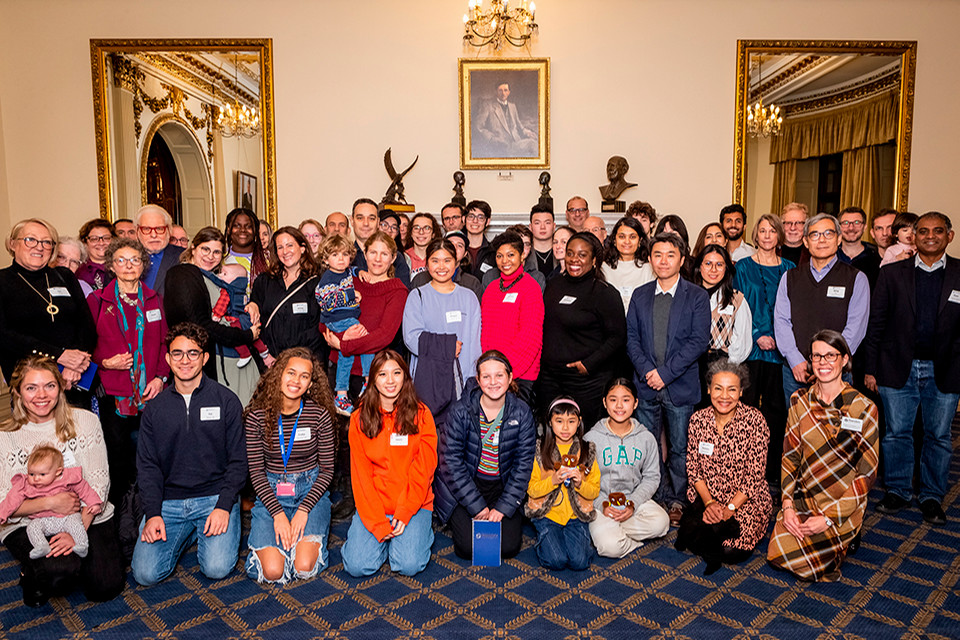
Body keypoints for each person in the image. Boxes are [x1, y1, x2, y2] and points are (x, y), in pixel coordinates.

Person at [0, 355, 123, 606]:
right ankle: (32, 574)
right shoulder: (6, 437)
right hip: (28, 522)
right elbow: (4, 501)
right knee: (59, 572)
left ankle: (76, 562)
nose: (41, 395)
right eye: (31, 387)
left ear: (61, 386)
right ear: (17, 392)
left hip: (89, 514)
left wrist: (76, 532)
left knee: (105, 587)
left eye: (50, 385)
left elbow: (99, 485)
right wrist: (51, 503)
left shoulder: (86, 422)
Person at [132, 322, 247, 586]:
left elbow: (239, 462)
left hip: (214, 497)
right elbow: (148, 467)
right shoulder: (154, 410)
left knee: (216, 569)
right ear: (167, 359)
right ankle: (190, 531)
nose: (185, 360)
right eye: (178, 353)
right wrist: (153, 514)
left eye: (193, 353)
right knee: (145, 574)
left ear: (205, 358)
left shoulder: (226, 401)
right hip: (168, 503)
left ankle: (201, 529)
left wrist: (223, 505)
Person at [864, 212, 959, 526]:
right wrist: (871, 369)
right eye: (922, 231)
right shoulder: (892, 273)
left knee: (939, 436)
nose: (929, 236)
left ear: (950, 235)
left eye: (937, 231)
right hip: (897, 367)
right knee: (897, 434)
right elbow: (875, 325)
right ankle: (899, 491)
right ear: (912, 237)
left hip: (946, 370)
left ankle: (932, 496)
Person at [767, 330, 879, 582]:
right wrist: (787, 507)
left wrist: (828, 519)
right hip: (806, 497)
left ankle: (845, 531)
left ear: (845, 360)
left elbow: (867, 474)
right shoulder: (800, 401)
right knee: (777, 554)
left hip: (842, 501)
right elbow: (790, 458)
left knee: (810, 568)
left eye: (830, 355)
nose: (823, 362)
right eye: (817, 356)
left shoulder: (864, 407)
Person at [626, 232, 711, 525]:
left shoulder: (697, 296)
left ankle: (677, 499)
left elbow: (699, 341)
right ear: (650, 259)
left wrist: (665, 373)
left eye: (670, 255)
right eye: (658, 255)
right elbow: (632, 339)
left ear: (682, 260)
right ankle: (654, 495)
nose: (663, 261)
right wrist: (648, 371)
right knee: (648, 447)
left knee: (679, 448)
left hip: (680, 386)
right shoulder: (640, 295)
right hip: (646, 385)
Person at [244, 347, 337, 583]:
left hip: (311, 491)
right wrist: (277, 514)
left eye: (304, 376)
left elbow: (326, 471)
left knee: (303, 567)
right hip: (270, 493)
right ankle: (279, 549)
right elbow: (256, 472)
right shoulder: (256, 418)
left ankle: (299, 546)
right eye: (291, 373)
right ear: (278, 374)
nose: (296, 381)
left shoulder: (319, 416)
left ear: (310, 384)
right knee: (273, 572)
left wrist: (304, 510)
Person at [341, 351, 438, 577]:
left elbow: (423, 471)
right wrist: (376, 522)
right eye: (383, 374)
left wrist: (404, 512)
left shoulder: (422, 415)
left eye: (396, 373)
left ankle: (416, 534)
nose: (391, 381)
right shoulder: (358, 419)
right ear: (373, 379)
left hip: (413, 503)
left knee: (408, 565)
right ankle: (385, 540)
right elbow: (361, 476)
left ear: (405, 376)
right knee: (357, 566)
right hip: (375, 504)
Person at [88, 237, 169, 503]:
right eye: (121, 260)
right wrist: (105, 362)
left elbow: (164, 342)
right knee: (119, 456)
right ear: (111, 265)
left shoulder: (154, 300)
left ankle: (153, 507)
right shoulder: (98, 301)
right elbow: (86, 345)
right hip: (114, 392)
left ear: (143, 265)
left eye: (135, 260)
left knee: (152, 454)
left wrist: (160, 377)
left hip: (151, 391)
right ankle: (123, 512)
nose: (128, 265)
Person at [435, 351, 536, 560]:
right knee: (467, 549)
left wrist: (503, 507)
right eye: (486, 377)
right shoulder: (460, 411)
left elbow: (523, 465)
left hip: (503, 486)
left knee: (508, 548)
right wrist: (477, 506)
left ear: (509, 378)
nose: (493, 382)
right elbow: (450, 463)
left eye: (499, 375)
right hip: (467, 484)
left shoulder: (522, 412)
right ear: (478, 381)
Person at [676, 360, 772, 574]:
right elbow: (693, 469)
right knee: (696, 534)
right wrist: (709, 503)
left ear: (741, 392)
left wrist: (729, 509)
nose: (724, 396)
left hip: (745, 499)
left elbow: (754, 477)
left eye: (732, 389)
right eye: (718, 388)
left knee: (730, 551)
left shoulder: (755, 422)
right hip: (708, 497)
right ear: (709, 389)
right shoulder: (698, 420)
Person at [774, 213, 870, 408]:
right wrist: (795, 360)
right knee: (797, 433)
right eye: (815, 235)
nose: (822, 239)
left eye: (828, 233)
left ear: (839, 239)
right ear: (806, 242)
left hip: (837, 372)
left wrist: (828, 362)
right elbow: (782, 321)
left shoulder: (856, 278)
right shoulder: (790, 277)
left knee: (838, 433)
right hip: (796, 371)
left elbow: (856, 327)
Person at [163, 227, 262, 405]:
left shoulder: (214, 277)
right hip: (211, 362)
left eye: (217, 252)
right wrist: (246, 336)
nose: (210, 256)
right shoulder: (183, 274)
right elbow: (199, 325)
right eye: (205, 249)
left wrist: (251, 304)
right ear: (193, 248)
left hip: (230, 360)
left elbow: (235, 302)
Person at [0, 219, 96, 399]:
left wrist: (74, 365)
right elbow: (4, 335)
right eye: (30, 240)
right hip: (29, 383)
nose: (39, 247)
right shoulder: (3, 281)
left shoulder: (65, 276)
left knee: (80, 426)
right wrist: (58, 355)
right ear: (12, 244)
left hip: (73, 378)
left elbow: (86, 325)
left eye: (47, 242)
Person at [539, 232, 626, 429]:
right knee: (551, 435)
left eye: (582, 254)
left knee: (584, 436)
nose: (574, 259)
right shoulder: (553, 285)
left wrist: (588, 364)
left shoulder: (604, 292)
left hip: (586, 381)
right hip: (550, 379)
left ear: (594, 259)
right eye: (570, 253)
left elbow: (617, 337)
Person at [733, 214, 796, 485]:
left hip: (782, 352)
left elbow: (795, 309)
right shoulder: (742, 267)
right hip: (751, 349)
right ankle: (744, 470)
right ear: (755, 235)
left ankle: (770, 473)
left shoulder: (791, 268)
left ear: (779, 236)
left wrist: (779, 338)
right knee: (745, 411)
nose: (767, 235)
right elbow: (737, 306)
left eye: (773, 231)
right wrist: (758, 334)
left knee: (776, 413)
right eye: (762, 231)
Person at [584, 378, 669, 558]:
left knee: (662, 523)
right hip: (600, 504)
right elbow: (584, 481)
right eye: (613, 399)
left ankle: (614, 531)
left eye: (626, 399)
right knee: (610, 548)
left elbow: (652, 477)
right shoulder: (591, 438)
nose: (619, 406)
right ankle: (617, 537)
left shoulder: (646, 438)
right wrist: (603, 505)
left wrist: (632, 504)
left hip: (633, 501)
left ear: (636, 403)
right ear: (604, 403)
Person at [403, 238, 482, 425]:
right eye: (435, 260)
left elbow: (474, 343)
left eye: (447, 260)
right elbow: (411, 338)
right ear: (426, 264)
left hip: (461, 383)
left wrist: (472, 384)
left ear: (456, 263)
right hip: (427, 382)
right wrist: (447, 347)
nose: (441, 266)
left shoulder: (468, 297)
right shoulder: (417, 296)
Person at [324, 232, 409, 400]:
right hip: (339, 372)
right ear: (365, 254)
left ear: (392, 259)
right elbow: (325, 320)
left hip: (372, 375)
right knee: (339, 425)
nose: (377, 259)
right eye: (373, 252)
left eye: (384, 254)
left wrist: (344, 345)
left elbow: (384, 336)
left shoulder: (397, 291)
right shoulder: (348, 281)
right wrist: (342, 336)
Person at [525, 396, 600, 571]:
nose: (565, 427)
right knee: (556, 561)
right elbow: (532, 489)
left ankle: (573, 540)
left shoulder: (587, 450)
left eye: (571, 421)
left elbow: (594, 491)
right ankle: (546, 538)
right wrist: (553, 480)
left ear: (579, 422)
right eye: (559, 421)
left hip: (576, 516)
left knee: (579, 562)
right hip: (548, 516)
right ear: (550, 422)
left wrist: (581, 483)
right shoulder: (540, 449)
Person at [0, 444, 102, 560]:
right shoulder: (26, 485)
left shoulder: (67, 478)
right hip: (45, 521)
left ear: (57, 472)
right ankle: (41, 546)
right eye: (31, 474)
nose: (36, 479)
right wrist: (2, 513)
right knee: (32, 527)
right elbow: (12, 500)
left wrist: (94, 503)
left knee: (76, 524)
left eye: (42, 474)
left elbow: (85, 489)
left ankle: (82, 545)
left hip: (67, 517)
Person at [480, 232, 544, 406]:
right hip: (493, 374)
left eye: (510, 255)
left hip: (519, 376)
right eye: (500, 256)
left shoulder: (531, 288)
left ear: (522, 255)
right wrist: (490, 369)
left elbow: (530, 338)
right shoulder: (492, 289)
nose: (504, 261)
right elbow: (485, 332)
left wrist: (506, 374)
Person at [249, 227, 324, 367]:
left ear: (302, 248)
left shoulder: (318, 282)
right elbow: (255, 323)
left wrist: (296, 360)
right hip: (269, 362)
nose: (285, 251)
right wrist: (266, 355)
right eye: (280, 247)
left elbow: (318, 327)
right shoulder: (264, 281)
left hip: (306, 363)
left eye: (290, 245)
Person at [692, 244, 753, 407]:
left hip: (722, 363)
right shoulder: (687, 297)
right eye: (708, 264)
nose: (713, 269)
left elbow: (743, 340)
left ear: (727, 268)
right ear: (699, 267)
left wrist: (726, 368)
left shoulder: (737, 299)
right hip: (691, 364)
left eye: (719, 264)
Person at [316, 234, 370, 416]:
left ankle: (341, 394)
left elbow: (351, 271)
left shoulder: (345, 271)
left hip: (346, 318)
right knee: (365, 341)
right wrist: (350, 295)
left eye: (345, 255)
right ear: (325, 259)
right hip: (338, 320)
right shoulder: (327, 279)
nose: (341, 259)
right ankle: (369, 380)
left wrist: (358, 272)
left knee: (345, 357)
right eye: (335, 255)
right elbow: (325, 300)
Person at [351, 198, 411, 287]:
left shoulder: (396, 257)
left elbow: (404, 294)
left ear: (378, 222)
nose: (366, 223)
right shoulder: (344, 256)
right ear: (352, 221)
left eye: (371, 218)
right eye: (360, 218)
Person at [410, 229, 484, 301]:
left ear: (465, 254)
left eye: (460, 245)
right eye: (450, 244)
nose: (454, 248)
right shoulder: (420, 279)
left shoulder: (472, 283)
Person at [602, 216, 654, 312]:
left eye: (632, 237)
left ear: (640, 241)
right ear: (614, 240)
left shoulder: (650, 268)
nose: (627, 241)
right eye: (622, 236)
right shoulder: (604, 268)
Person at [474, 81, 537, 158]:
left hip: (516, 142)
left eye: (505, 90)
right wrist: (492, 139)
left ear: (509, 92)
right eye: (500, 90)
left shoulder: (512, 106)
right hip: (499, 146)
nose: (503, 93)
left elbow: (519, 126)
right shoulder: (488, 105)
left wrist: (527, 132)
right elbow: (478, 127)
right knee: (532, 144)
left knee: (535, 143)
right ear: (496, 92)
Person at [479, 225, 546, 292]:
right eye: (517, 244)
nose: (522, 248)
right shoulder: (490, 276)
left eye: (526, 244)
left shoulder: (537, 277)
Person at [135, 204, 182, 297]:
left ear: (169, 231)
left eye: (159, 229)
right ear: (137, 232)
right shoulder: (123, 257)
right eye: (146, 229)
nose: (153, 235)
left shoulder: (183, 257)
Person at [223, 208, 268, 294]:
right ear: (228, 229)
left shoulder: (268, 258)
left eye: (248, 226)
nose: (243, 230)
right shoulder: (220, 259)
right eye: (237, 226)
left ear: (255, 231)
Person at [837, 206, 881, 287]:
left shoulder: (876, 257)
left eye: (857, 223)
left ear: (864, 227)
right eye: (845, 223)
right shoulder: (830, 256)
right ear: (839, 227)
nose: (851, 228)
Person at [76, 218, 116, 293]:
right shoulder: (78, 270)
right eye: (94, 239)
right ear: (84, 242)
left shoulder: (123, 266)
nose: (101, 243)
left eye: (106, 238)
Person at [406, 212, 442, 279]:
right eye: (416, 228)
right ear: (411, 233)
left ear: (433, 234)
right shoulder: (403, 258)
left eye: (427, 228)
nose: (421, 232)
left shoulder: (441, 257)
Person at [464, 199, 493, 276]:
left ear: (487, 222)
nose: (475, 221)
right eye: (471, 216)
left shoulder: (494, 252)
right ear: (464, 219)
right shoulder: (457, 249)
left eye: (480, 217)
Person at [529, 204, 558, 274]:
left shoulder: (561, 252)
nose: (542, 227)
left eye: (547, 223)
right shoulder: (525, 254)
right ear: (530, 227)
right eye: (537, 223)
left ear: (554, 226)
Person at [779, 202, 809, 267]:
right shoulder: (772, 251)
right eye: (788, 223)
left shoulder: (813, 254)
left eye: (798, 223)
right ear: (782, 225)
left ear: (806, 226)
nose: (793, 228)